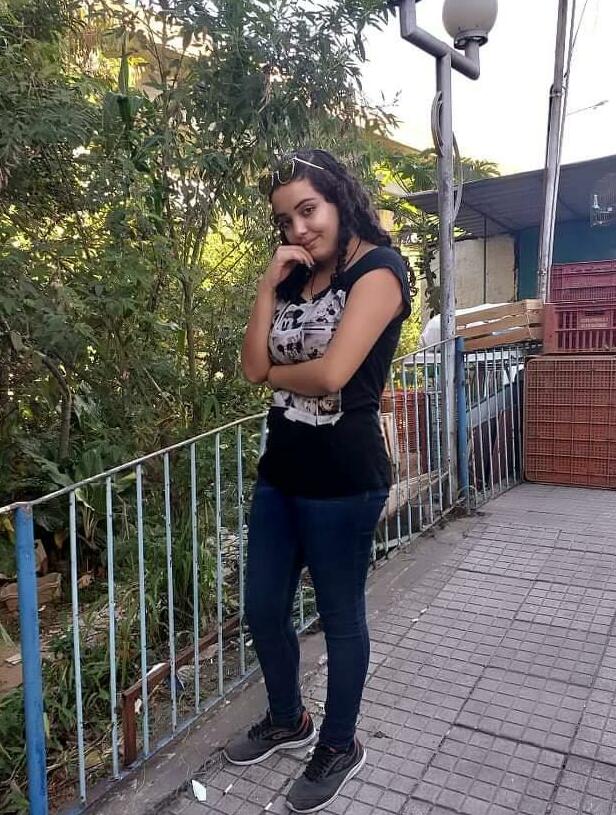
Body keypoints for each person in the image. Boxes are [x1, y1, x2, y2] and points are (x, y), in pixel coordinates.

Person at [223, 149, 414, 813]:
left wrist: (275, 375)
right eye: (286, 220)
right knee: (262, 607)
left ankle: (338, 743)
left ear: (339, 200)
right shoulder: (295, 276)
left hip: (344, 481)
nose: (299, 229)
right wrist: (265, 286)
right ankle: (288, 718)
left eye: (309, 210)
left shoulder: (379, 271)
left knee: (340, 619)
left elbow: (332, 374)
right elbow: (251, 364)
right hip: (280, 473)